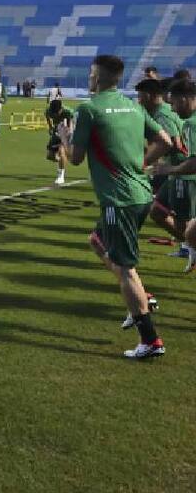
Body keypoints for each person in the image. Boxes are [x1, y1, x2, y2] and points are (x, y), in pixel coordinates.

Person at [56, 55, 172, 358]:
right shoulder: (133, 106)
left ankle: (150, 339)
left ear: (97, 77)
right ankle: (141, 297)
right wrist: (140, 164)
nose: (89, 78)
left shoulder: (88, 110)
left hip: (118, 200)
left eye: (91, 74)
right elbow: (165, 141)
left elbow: (76, 158)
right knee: (97, 240)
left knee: (125, 267)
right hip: (142, 194)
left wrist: (64, 136)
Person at [134, 78, 188, 247]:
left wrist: (146, 160)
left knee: (162, 212)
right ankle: (187, 245)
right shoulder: (161, 111)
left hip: (182, 170)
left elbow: (175, 143)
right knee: (159, 210)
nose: (138, 101)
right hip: (175, 169)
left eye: (140, 96)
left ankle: (189, 245)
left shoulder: (162, 114)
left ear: (148, 96)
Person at [152, 78, 196, 271]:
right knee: (158, 212)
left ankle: (190, 248)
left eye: (174, 103)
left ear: (185, 99)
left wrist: (168, 169)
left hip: (185, 178)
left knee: (185, 226)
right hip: (180, 175)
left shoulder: (191, 124)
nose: (172, 109)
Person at [44, 98, 73, 186]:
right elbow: (48, 117)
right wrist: (50, 127)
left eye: (57, 112)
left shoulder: (68, 112)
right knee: (50, 156)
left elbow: (71, 123)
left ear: (61, 109)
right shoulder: (49, 111)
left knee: (61, 151)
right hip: (57, 131)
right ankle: (63, 160)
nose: (55, 114)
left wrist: (68, 132)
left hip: (67, 130)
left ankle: (61, 176)